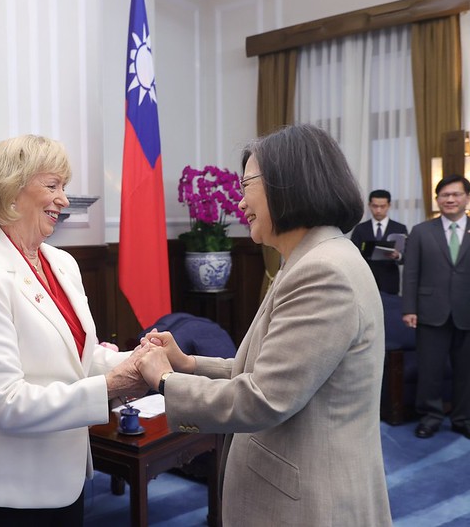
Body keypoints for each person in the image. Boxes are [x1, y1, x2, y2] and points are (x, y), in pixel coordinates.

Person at [134, 124, 392, 525]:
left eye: (246, 185)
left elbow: (264, 397)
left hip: (310, 503)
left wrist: (167, 381)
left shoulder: (323, 272)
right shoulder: (313, 258)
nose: (240, 201)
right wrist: (188, 363)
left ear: (288, 184)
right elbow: (275, 370)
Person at [0, 135, 147, 526]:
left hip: (62, 477)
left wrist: (137, 360)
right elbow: (7, 403)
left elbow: (78, 356)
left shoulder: (62, 263)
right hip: (3, 489)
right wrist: (113, 385)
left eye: (64, 188)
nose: (64, 200)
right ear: (10, 191)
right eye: (52, 186)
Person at [402, 174, 470, 440]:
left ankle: (463, 418)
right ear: (437, 199)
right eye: (444, 195)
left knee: (466, 371)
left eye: (456, 194)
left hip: (467, 311)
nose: (450, 199)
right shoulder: (421, 231)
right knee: (430, 370)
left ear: (466, 198)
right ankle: (430, 417)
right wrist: (409, 308)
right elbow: (410, 273)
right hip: (430, 312)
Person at [350, 189, 408, 295]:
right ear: (369, 205)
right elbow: (352, 254)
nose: (378, 210)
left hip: (390, 280)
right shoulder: (360, 229)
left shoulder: (399, 228)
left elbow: (407, 256)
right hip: (366, 279)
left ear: (389, 205)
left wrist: (397, 255)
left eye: (382, 206)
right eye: (375, 206)